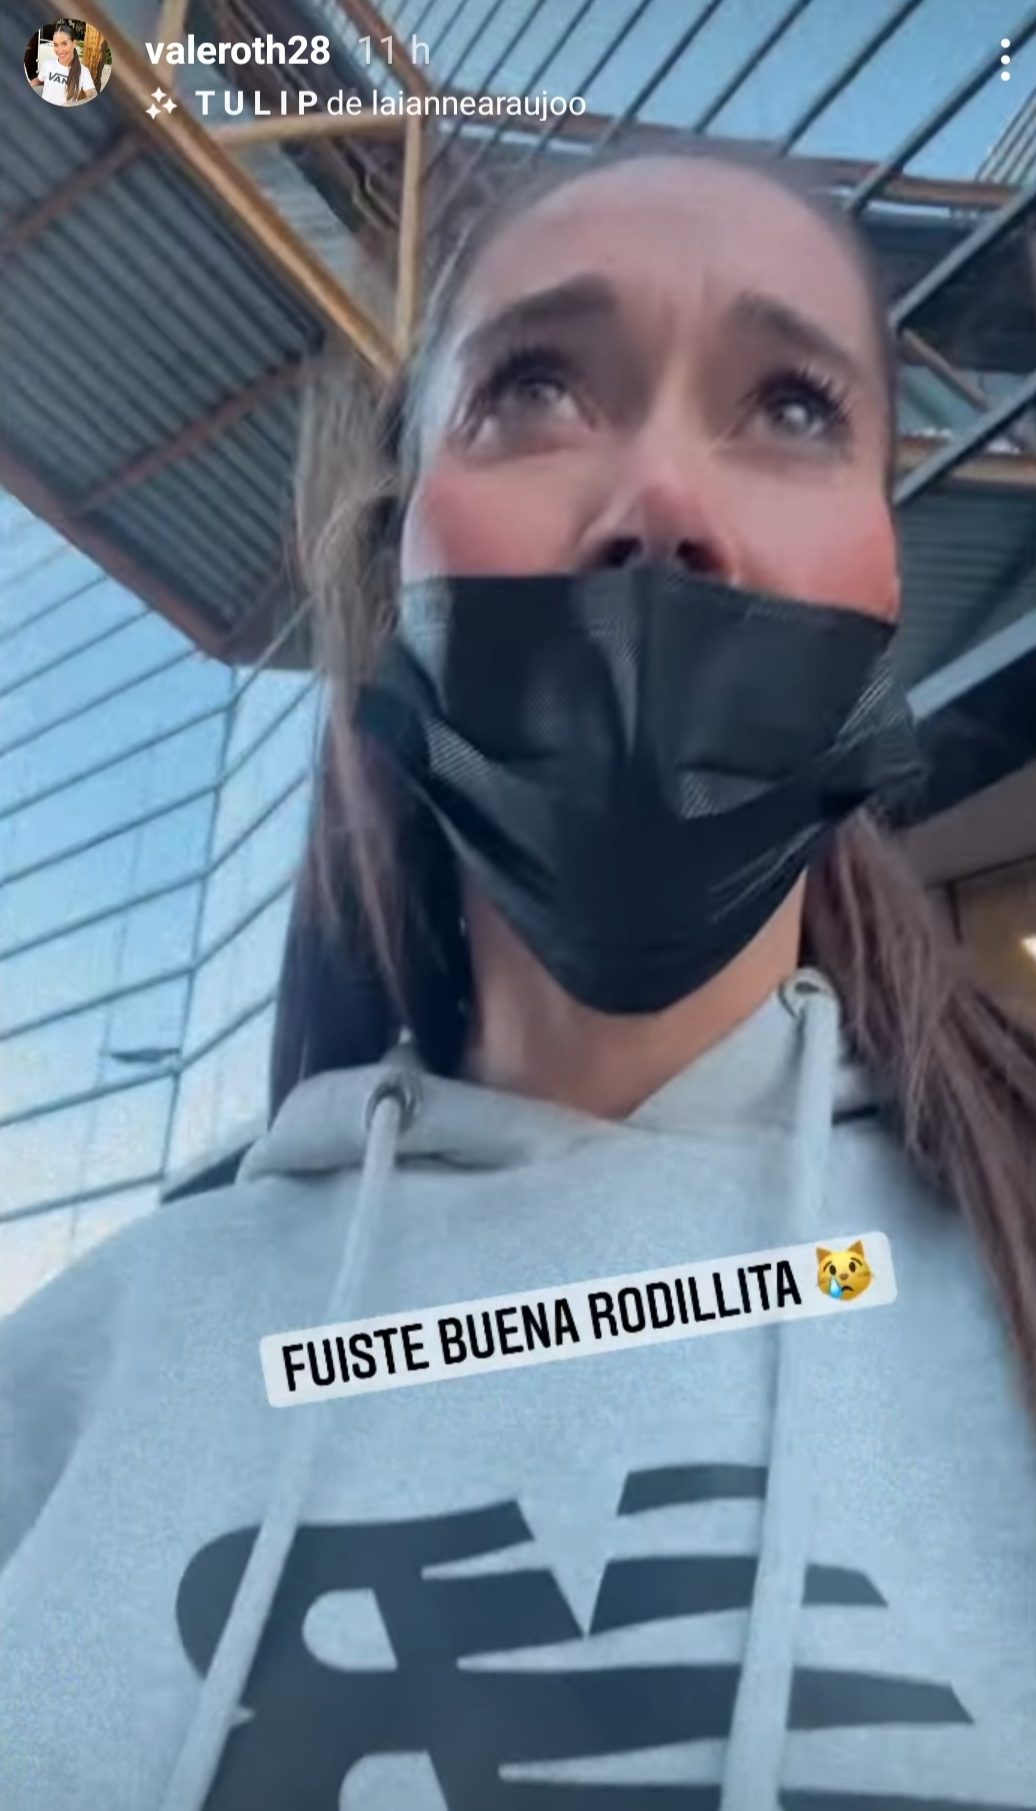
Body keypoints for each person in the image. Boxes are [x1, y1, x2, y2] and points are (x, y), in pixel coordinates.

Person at [2, 139, 1035, 1811]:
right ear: (395, 565)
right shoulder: (78, 1374)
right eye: (536, 388)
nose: (662, 501)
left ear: (884, 581)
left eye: (790, 407)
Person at [28, 20, 96, 105]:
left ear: (74, 43)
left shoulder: (83, 71)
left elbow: (93, 96)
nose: (59, 50)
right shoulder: (48, 63)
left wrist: (69, 105)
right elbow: (39, 80)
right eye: (56, 45)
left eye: (64, 44)